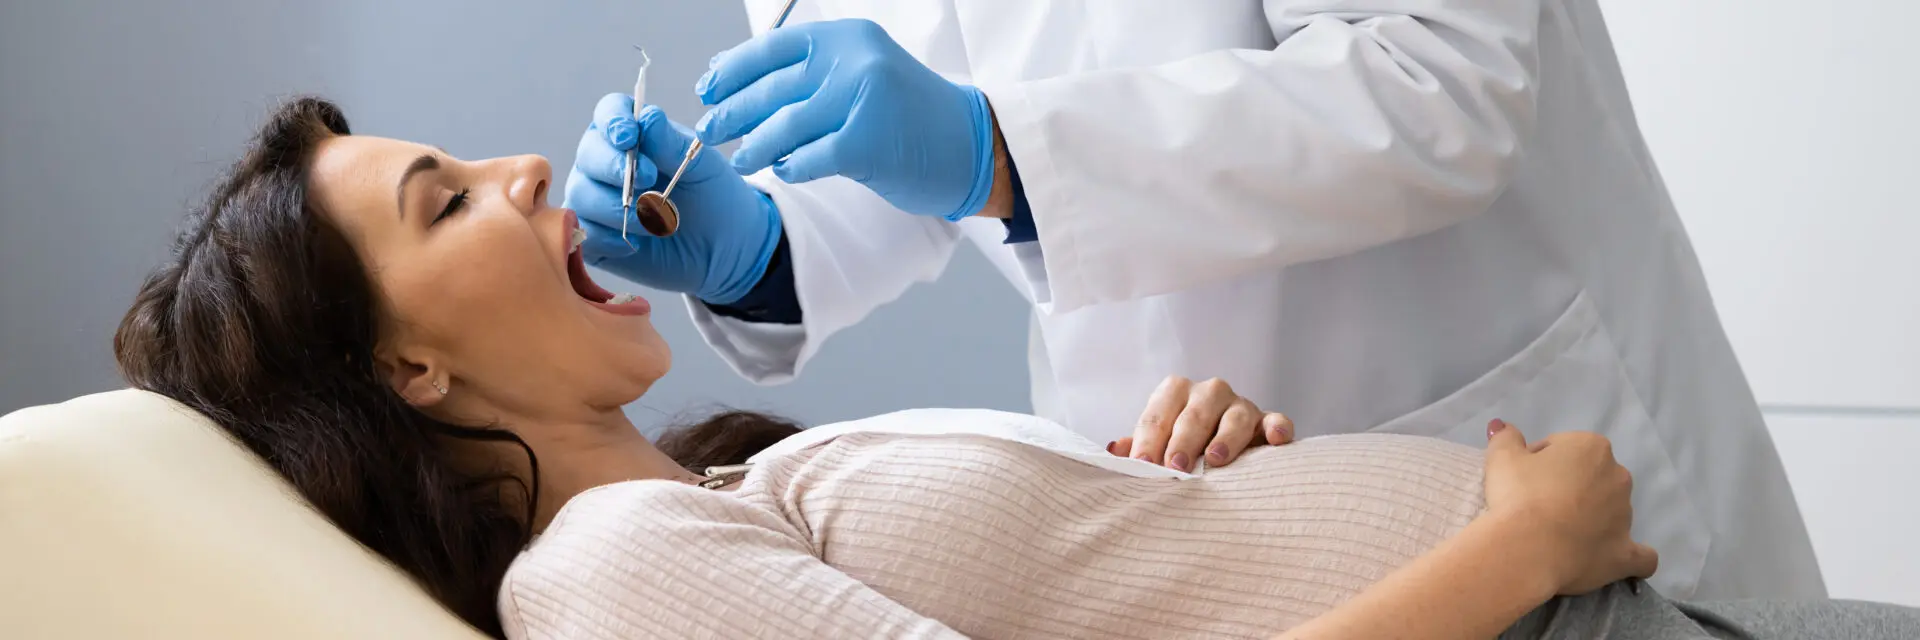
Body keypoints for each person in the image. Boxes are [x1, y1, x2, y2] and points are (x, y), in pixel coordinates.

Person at [114, 98, 1916, 640]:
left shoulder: (709, 499)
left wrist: (1180, 486)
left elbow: (1441, 84)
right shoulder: (607, 571)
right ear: (410, 372)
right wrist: (1515, 552)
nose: (523, 167)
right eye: (443, 199)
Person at [561, 2, 1822, 600]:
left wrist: (1001, 156)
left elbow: (1445, 80)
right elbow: (892, 140)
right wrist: (759, 253)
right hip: (1175, 483)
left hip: (1495, 409)